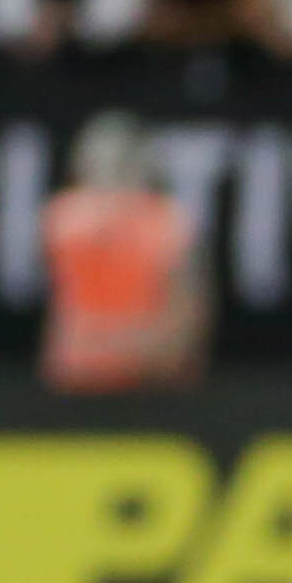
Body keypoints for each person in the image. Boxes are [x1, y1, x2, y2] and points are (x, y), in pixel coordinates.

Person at [41, 111, 211, 392]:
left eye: (119, 167)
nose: (110, 185)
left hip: (153, 390)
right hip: (78, 387)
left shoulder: (170, 226)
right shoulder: (64, 223)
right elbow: (60, 328)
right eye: (99, 167)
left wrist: (121, 347)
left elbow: (184, 330)